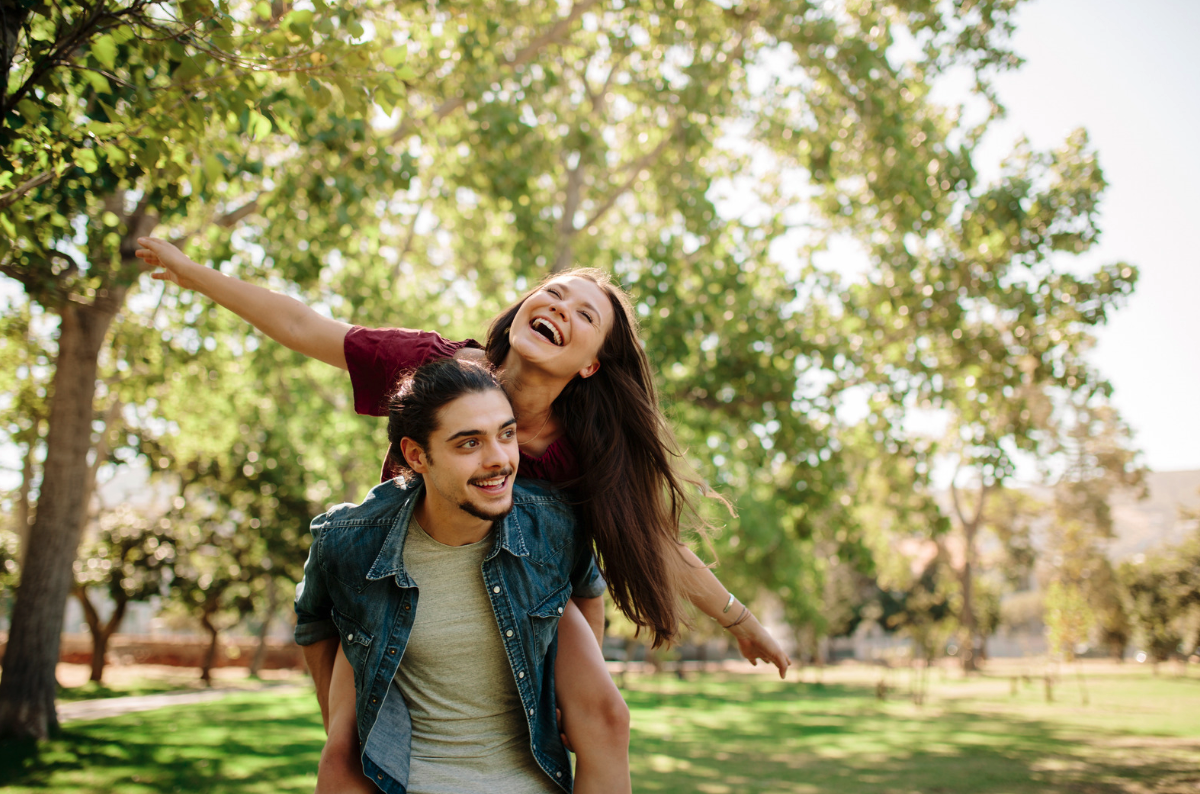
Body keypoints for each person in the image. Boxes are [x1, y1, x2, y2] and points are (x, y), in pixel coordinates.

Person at [135, 237, 791, 793]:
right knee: (343, 757)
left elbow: (648, 544)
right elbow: (308, 327)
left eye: (583, 313)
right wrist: (189, 271)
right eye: (553, 294)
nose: (559, 307)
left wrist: (739, 618)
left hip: (525, 586)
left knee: (603, 715)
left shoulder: (578, 448)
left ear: (591, 361)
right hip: (401, 579)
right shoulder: (436, 368)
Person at [295, 358, 603, 793]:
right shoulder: (348, 543)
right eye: (468, 444)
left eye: (507, 434)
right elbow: (313, 623)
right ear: (417, 455)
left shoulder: (553, 524)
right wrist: (342, 733)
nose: (499, 460)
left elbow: (588, 589)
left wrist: (570, 695)